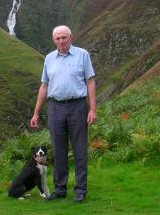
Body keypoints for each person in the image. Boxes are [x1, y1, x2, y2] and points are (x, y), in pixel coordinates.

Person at [30, 25, 97, 203]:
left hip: (77, 106)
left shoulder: (82, 55)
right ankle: (60, 189)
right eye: (58, 38)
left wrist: (92, 109)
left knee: (79, 150)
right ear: (54, 40)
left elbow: (90, 82)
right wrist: (36, 113)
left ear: (71, 38)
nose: (61, 41)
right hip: (55, 108)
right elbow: (44, 86)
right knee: (58, 150)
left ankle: (81, 190)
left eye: (64, 37)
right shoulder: (49, 58)